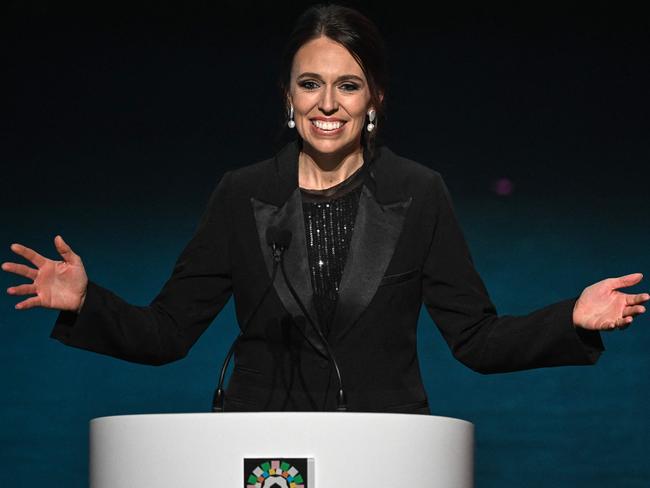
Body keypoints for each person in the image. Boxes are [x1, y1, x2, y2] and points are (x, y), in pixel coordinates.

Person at [2, 4, 648, 414]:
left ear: (375, 100)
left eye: (348, 85)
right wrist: (89, 303)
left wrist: (572, 317)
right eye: (310, 84)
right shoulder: (242, 193)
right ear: (288, 96)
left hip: (385, 453)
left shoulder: (419, 192)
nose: (327, 103)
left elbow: (475, 339)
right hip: (261, 457)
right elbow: (169, 332)